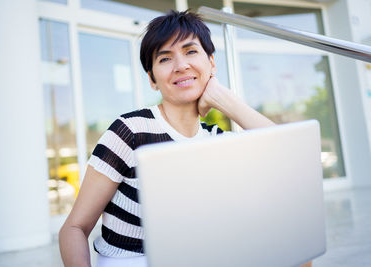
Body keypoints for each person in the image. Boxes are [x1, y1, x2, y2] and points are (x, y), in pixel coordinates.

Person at [59, 10, 311, 267]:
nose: (181, 66)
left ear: (212, 62)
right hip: (131, 260)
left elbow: (286, 156)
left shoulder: (215, 138)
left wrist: (225, 100)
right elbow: (74, 228)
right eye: (165, 58)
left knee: (302, 258)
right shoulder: (130, 131)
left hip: (194, 256)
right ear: (152, 79)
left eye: (190, 51)